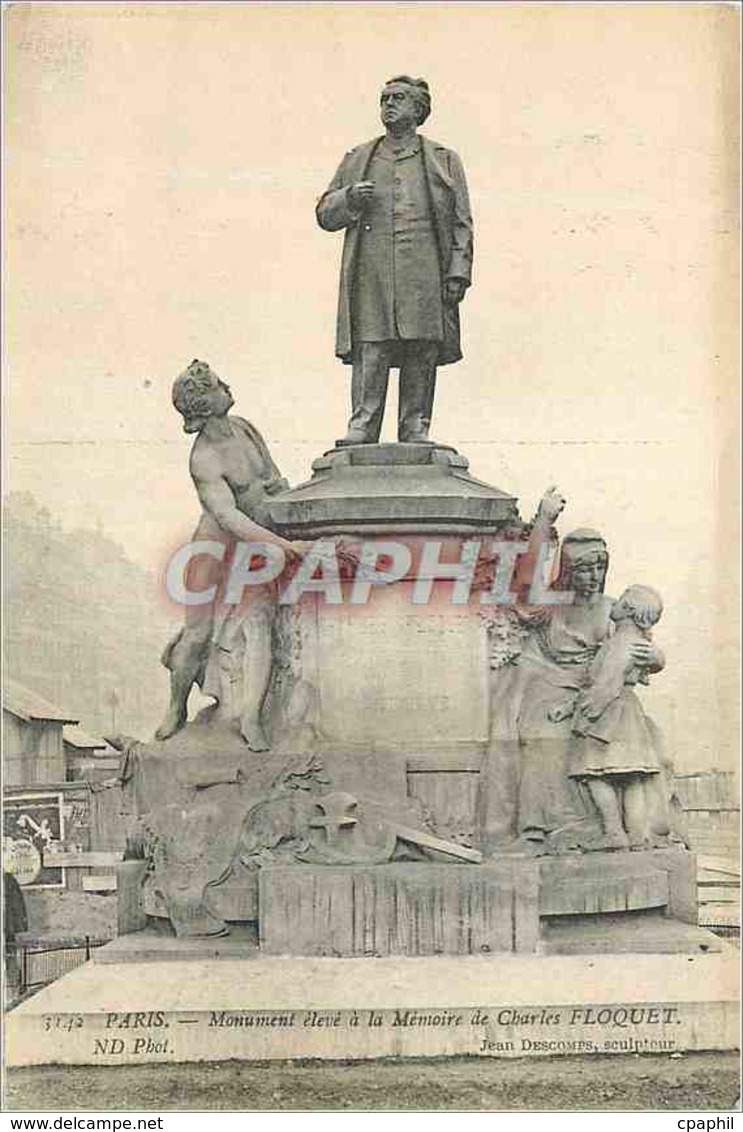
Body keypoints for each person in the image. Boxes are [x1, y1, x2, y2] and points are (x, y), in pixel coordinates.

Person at [478, 490, 664, 856]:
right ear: (567, 571)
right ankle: (533, 832)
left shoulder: (616, 611)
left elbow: (636, 658)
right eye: (582, 569)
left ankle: (621, 832)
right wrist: (544, 521)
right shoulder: (552, 605)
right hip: (548, 686)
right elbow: (527, 579)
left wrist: (655, 656)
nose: (593, 576)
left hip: (599, 695)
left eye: (599, 567)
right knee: (539, 735)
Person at [316, 75, 473, 445]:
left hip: (424, 271)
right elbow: (325, 213)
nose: (388, 104)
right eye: (384, 98)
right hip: (372, 272)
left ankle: (415, 424)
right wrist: (350, 197)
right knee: (372, 344)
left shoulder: (444, 160)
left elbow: (461, 221)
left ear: (418, 109)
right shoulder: (358, 159)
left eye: (398, 98)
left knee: (421, 345)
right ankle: (363, 424)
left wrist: (458, 273)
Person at [156, 360, 301, 750]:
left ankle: (251, 717)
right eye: (220, 384)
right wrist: (282, 545)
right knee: (197, 635)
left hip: (257, 546)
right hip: (214, 552)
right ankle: (176, 706)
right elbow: (228, 516)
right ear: (204, 404)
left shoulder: (244, 427)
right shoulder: (203, 459)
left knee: (259, 629)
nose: (228, 386)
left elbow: (273, 479)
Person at [560, 585, 665, 850]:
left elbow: (606, 684)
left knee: (594, 773)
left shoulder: (619, 643)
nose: (613, 604)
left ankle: (614, 832)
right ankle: (639, 836)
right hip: (629, 713)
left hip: (610, 714)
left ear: (628, 610)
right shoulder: (636, 642)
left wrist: (585, 715)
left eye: (619, 601)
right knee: (632, 777)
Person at [4, 870, 28, 1005]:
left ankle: (15, 993)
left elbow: (17, 904)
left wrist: (19, 927)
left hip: (7, 930)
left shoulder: (7, 878)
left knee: (10, 961)